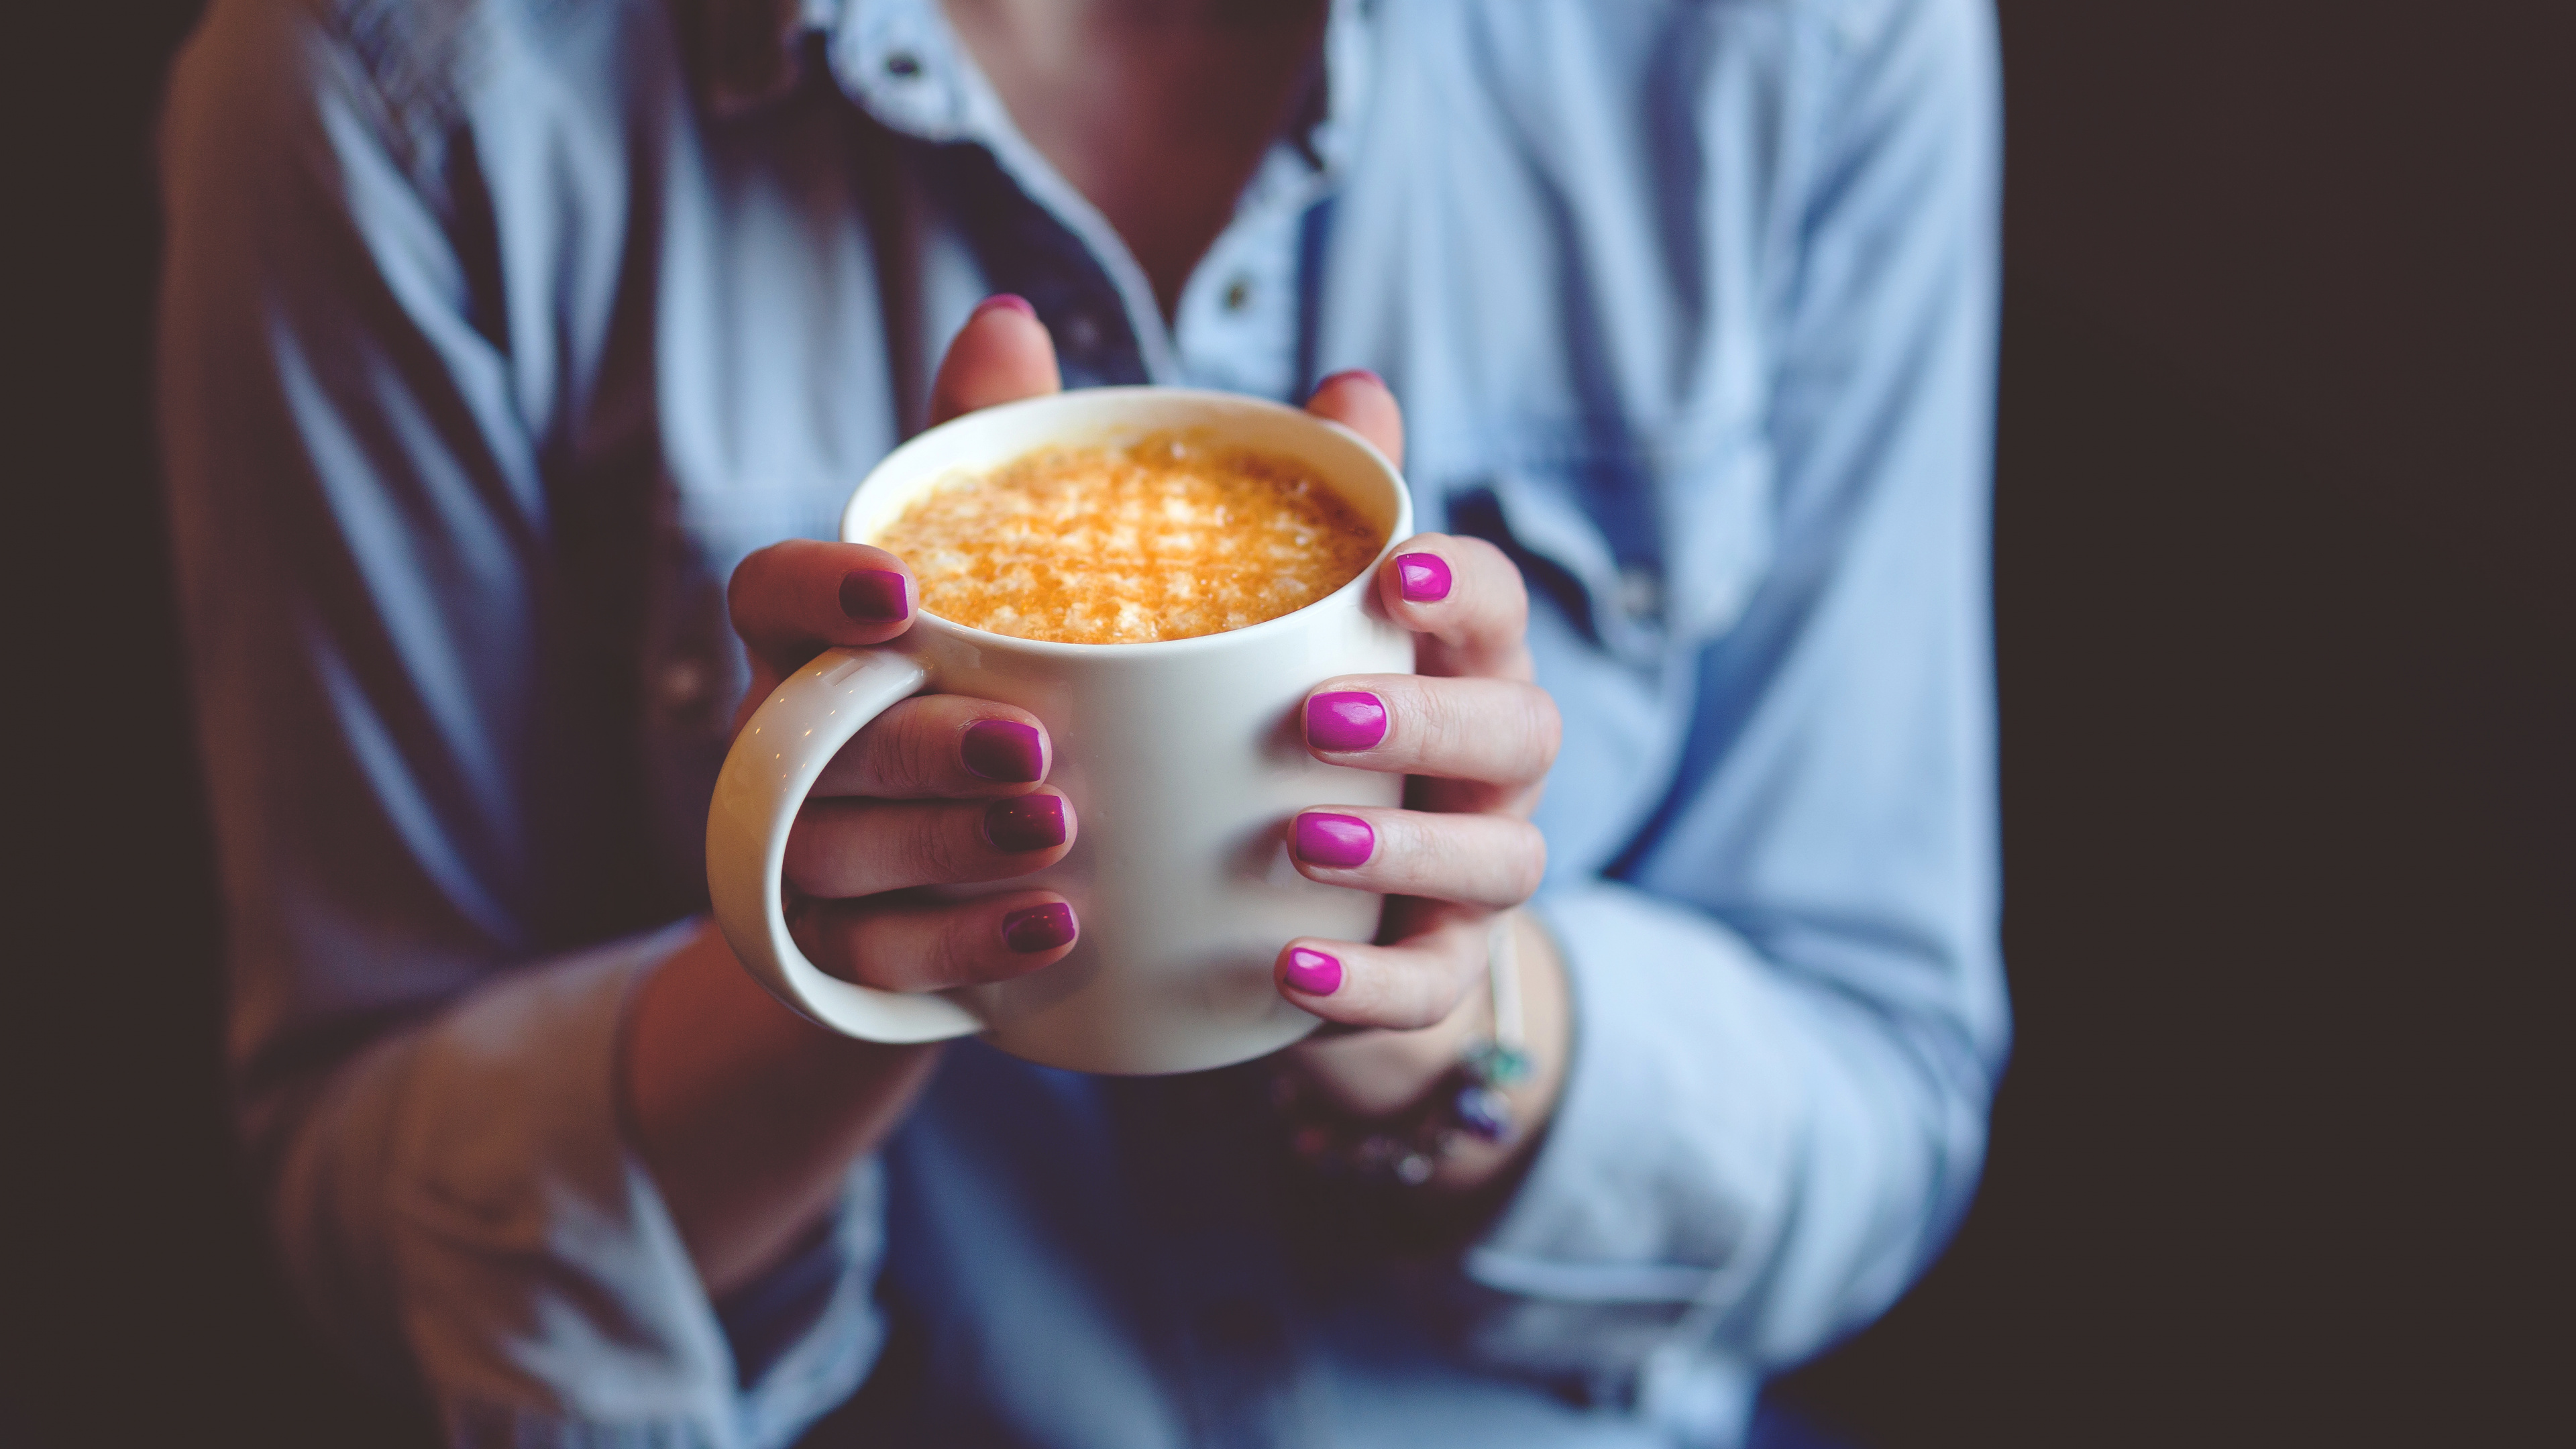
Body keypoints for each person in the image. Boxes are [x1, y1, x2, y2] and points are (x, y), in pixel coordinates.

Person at [157, 0, 2005, 1444]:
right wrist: (831, 980)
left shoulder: (1791, 48)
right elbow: (355, 1200)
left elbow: (1886, 1081)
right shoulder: (400, 91)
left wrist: (1458, 1021)